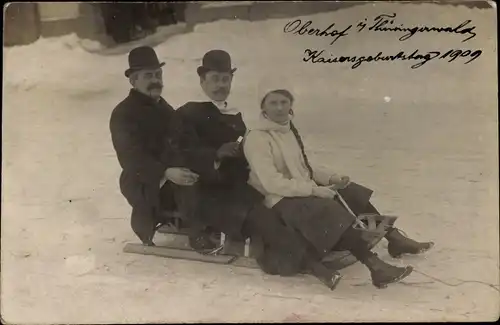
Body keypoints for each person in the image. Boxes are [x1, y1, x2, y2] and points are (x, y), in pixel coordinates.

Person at [242, 80, 434, 289]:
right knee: (326, 209)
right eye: (273, 103)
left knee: (351, 193)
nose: (279, 108)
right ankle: (374, 265)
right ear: (263, 106)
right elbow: (271, 183)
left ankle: (393, 237)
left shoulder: (287, 129)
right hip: (278, 198)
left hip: (300, 188)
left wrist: (332, 178)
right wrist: (315, 190)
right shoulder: (257, 138)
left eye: (284, 101)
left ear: (291, 104)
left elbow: (304, 165)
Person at [171, 50, 264, 253]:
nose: (221, 85)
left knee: (261, 203)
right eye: (214, 79)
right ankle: (199, 231)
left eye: (225, 79)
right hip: (202, 184)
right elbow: (181, 151)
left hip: (231, 179)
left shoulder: (232, 112)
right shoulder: (189, 112)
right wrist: (216, 154)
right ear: (202, 82)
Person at [110, 46, 199, 246]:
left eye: (158, 74)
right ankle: (196, 232)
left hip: (171, 171)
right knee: (187, 182)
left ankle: (206, 223)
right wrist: (166, 172)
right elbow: (130, 158)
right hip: (143, 180)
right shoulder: (123, 114)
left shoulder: (164, 108)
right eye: (148, 75)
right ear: (133, 81)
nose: (155, 80)